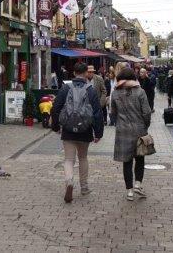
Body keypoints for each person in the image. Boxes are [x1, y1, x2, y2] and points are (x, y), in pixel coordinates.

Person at [51, 62, 104, 203]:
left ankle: (69, 182)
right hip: (85, 129)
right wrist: (98, 133)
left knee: (68, 159)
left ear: (73, 73)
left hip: (68, 129)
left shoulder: (65, 88)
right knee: (83, 158)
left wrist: (55, 127)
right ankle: (84, 187)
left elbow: (55, 107)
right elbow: (97, 113)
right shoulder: (90, 90)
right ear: (86, 73)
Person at [111, 68, 152, 201]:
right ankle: (137, 184)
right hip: (139, 129)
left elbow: (113, 113)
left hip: (122, 131)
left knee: (126, 161)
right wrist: (145, 125)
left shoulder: (115, 93)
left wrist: (118, 123)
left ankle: (129, 191)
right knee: (140, 158)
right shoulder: (140, 92)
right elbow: (146, 112)